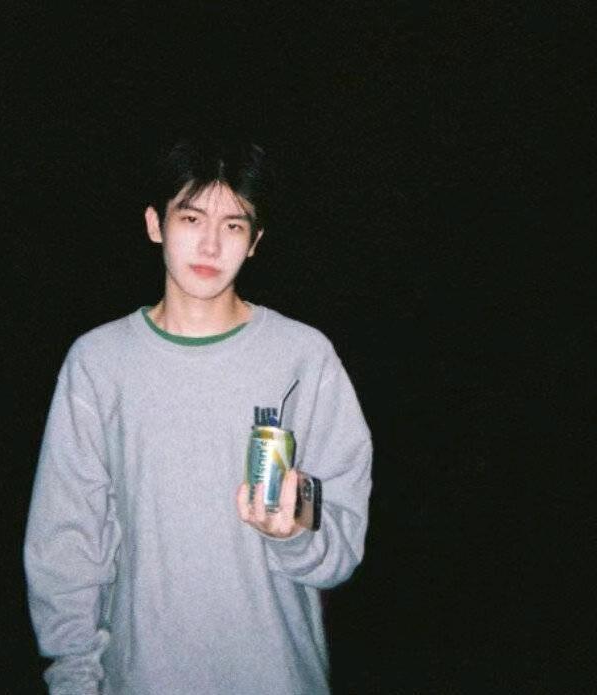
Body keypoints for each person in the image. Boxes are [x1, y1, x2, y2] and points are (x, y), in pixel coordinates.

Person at [24, 136, 372, 694]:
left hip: (277, 676)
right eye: (191, 218)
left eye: (233, 225)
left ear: (255, 242)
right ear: (155, 224)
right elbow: (67, 542)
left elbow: (340, 534)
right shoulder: (99, 363)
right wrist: (73, 678)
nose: (210, 244)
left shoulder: (303, 359)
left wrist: (294, 531)